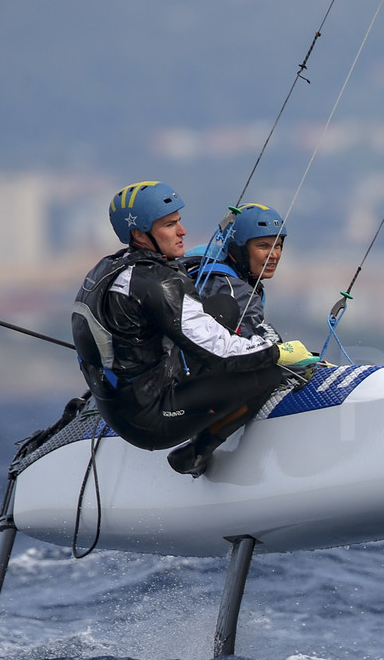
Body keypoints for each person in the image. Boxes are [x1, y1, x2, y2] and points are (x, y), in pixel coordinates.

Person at [70, 181, 319, 477]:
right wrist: (279, 352)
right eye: (170, 225)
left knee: (222, 309)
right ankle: (194, 453)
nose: (182, 231)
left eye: (179, 221)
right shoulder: (156, 283)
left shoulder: (111, 267)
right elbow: (222, 353)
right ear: (139, 234)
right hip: (149, 420)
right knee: (267, 372)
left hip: (122, 402)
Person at [191, 202, 286, 342]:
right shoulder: (234, 289)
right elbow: (260, 345)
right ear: (239, 249)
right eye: (263, 246)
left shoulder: (204, 262)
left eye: (277, 246)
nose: (274, 254)